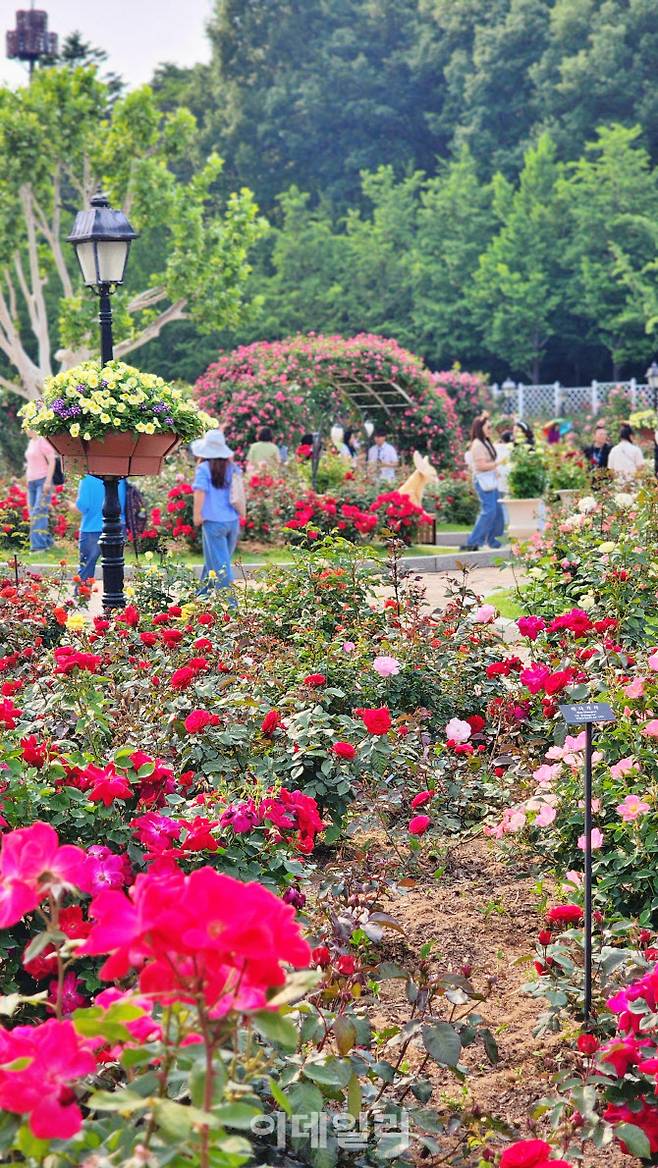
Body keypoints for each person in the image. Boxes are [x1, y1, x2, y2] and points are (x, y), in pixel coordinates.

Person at [192, 429, 244, 595]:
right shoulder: (232, 468)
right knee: (214, 561)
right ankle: (202, 596)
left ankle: (231, 604)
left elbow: (200, 492)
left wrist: (197, 514)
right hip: (232, 521)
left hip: (213, 523)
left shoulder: (204, 468)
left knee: (220, 565)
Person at [75, 474, 127, 584]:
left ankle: (83, 593)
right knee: (115, 566)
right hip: (116, 527)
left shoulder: (87, 477)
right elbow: (122, 504)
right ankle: (116, 592)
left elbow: (83, 505)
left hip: (91, 527)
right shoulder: (119, 476)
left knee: (86, 567)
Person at [460, 414, 502, 550]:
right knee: (489, 511)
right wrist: (498, 464)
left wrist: (495, 469)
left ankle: (492, 541)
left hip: (490, 480)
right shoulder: (478, 444)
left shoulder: (485, 442)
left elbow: (487, 463)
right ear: (480, 428)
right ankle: (473, 542)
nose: (490, 429)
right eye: (488, 427)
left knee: (497, 511)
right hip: (484, 481)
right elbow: (480, 466)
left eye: (491, 427)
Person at [24, 430, 56, 552]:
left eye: (26, 427)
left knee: (38, 512)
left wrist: (47, 482)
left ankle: (39, 547)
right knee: (34, 512)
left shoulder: (42, 441)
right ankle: (47, 542)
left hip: (42, 481)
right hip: (31, 483)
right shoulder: (31, 442)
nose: (25, 430)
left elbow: (52, 461)